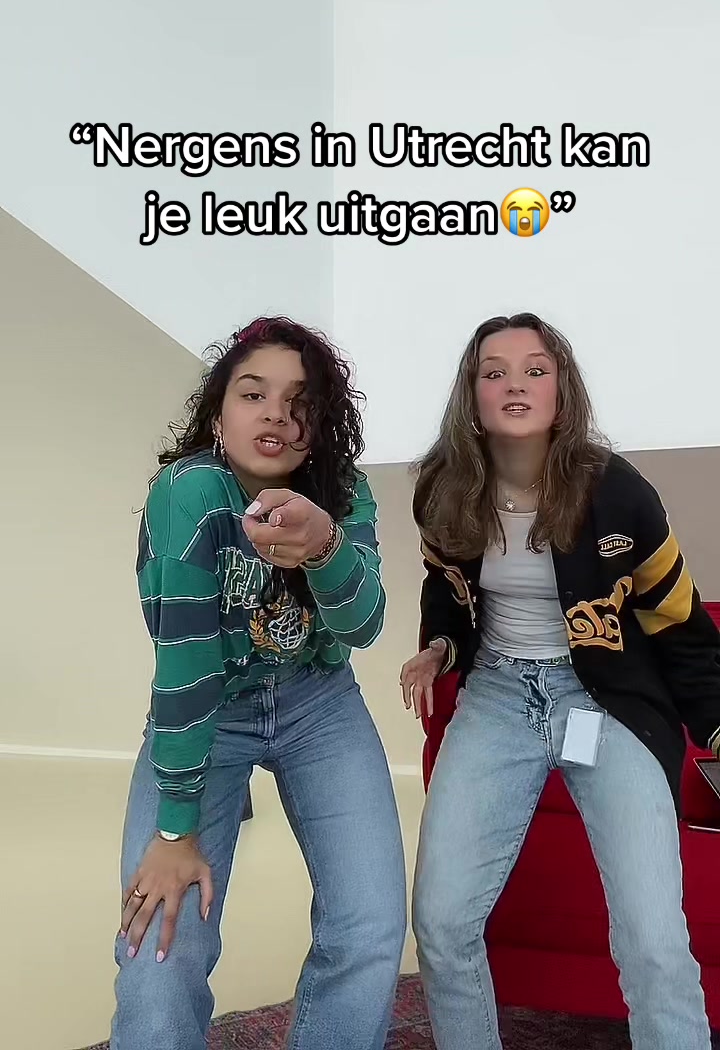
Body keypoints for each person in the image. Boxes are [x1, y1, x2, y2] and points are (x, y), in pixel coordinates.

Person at [399, 312, 720, 1050]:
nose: (516, 384)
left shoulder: (618, 492)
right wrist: (439, 647)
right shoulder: (445, 488)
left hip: (604, 701)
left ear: (561, 390)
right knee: (441, 924)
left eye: (535, 370)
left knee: (653, 938)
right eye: (495, 372)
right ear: (472, 394)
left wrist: (717, 725)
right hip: (497, 697)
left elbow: (678, 620)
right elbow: (446, 587)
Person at [110, 316, 406, 1050]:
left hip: (318, 702)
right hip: (213, 704)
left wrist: (325, 546)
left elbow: (362, 627)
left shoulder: (342, 492)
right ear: (219, 413)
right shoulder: (189, 494)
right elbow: (185, 662)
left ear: (320, 424)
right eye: (253, 394)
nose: (275, 413)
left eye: (299, 402)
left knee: (370, 922)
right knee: (162, 935)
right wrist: (175, 828)